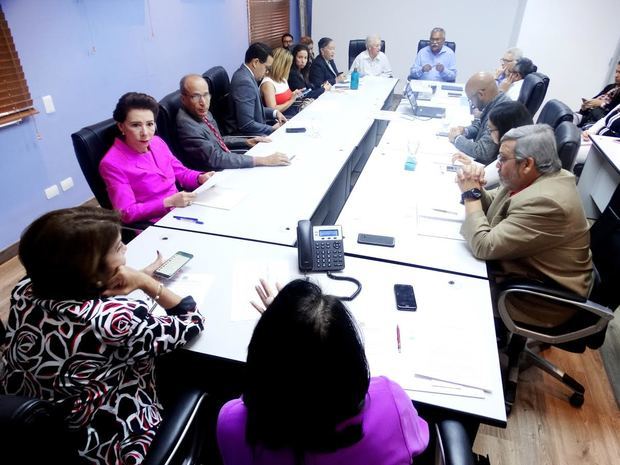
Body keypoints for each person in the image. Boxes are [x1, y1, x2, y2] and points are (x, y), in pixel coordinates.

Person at [0, 206, 204, 464]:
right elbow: (192, 320)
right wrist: (147, 283)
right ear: (92, 273)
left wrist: (117, 278)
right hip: (101, 440)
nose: (126, 248)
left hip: (34, 420)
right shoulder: (113, 320)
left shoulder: (25, 289)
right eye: (119, 247)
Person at [217, 279, 429, 465]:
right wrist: (298, 327)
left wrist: (283, 332)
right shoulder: (391, 400)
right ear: (353, 358)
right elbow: (417, 442)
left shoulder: (233, 425)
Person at [457, 124, 592, 327]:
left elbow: (484, 246)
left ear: (527, 164)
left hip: (538, 301)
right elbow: (495, 202)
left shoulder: (547, 202)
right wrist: (474, 185)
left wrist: (471, 195)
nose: (497, 165)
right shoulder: (534, 177)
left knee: (455, 296)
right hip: (519, 273)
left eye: (502, 159)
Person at [99, 92, 214, 224]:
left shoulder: (157, 142)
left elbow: (181, 172)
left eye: (149, 124)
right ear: (121, 126)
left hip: (183, 210)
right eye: (136, 125)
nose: (145, 133)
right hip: (155, 224)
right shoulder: (111, 164)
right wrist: (168, 202)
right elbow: (125, 213)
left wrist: (200, 178)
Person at [176, 74, 290, 170]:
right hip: (214, 174)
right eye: (196, 96)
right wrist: (262, 160)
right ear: (183, 99)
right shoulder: (186, 125)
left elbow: (218, 140)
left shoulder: (201, 111)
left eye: (206, 95)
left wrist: (246, 141)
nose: (203, 102)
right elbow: (216, 158)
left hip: (225, 161)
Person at [453, 100, 533, 187]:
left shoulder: (513, 157)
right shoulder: (522, 146)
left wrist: (470, 172)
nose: (489, 134)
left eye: (490, 130)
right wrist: (471, 164)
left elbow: (481, 181)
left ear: (504, 130)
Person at [225, 42, 287, 136]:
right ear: (255, 62)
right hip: (248, 136)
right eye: (266, 67)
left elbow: (255, 109)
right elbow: (247, 125)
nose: (267, 72)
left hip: (256, 129)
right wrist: (272, 129)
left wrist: (275, 112)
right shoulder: (244, 83)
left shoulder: (245, 75)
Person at [448, 72, 511, 164]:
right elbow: (481, 125)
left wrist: (457, 139)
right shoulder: (496, 100)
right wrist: (465, 131)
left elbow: (483, 152)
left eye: (470, 99)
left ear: (481, 94)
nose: (472, 103)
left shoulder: (500, 112)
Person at [260, 48, 303, 117]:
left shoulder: (283, 79)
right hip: (282, 119)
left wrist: (294, 94)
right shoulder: (268, 83)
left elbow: (285, 99)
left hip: (291, 113)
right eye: (288, 65)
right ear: (282, 66)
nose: (289, 68)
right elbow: (273, 110)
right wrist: (291, 100)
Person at [575, 61, 620, 128]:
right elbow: (593, 100)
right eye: (616, 71)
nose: (616, 75)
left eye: (619, 73)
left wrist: (601, 104)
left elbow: (613, 115)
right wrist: (585, 106)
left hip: (599, 123)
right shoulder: (610, 87)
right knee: (567, 116)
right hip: (588, 116)